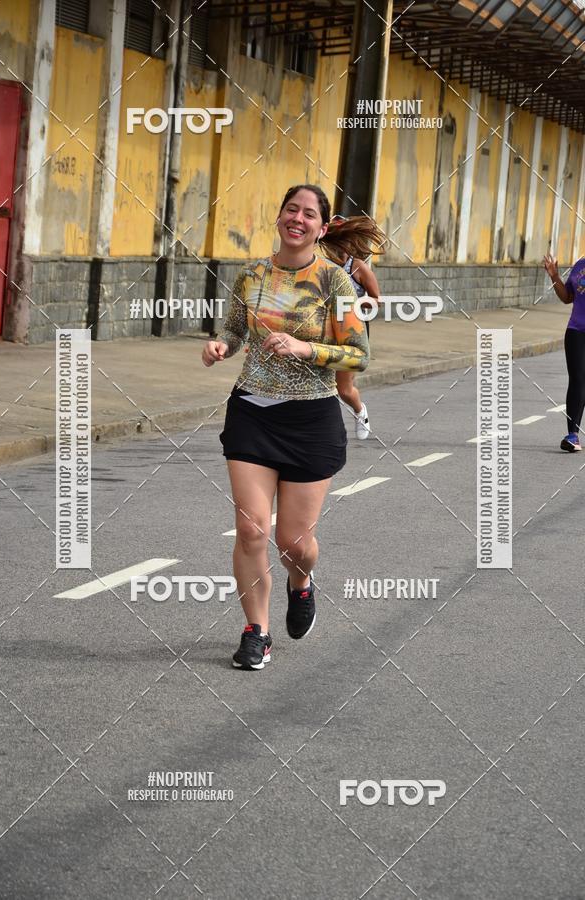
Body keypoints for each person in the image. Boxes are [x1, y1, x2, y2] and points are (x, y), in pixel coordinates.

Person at [202, 184, 369, 670]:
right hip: (252, 413)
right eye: (291, 209)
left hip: (311, 419)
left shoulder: (335, 282)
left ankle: (302, 583)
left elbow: (358, 353)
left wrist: (306, 350)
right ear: (279, 216)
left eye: (309, 213)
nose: (298, 218)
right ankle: (257, 631)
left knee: (294, 543)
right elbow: (235, 330)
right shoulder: (253, 274)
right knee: (251, 529)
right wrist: (220, 348)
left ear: (322, 226)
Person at [321, 214, 385, 439]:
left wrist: (355, 304)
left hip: (350, 332)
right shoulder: (320, 265)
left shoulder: (358, 268)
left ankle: (360, 411)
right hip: (323, 330)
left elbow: (377, 299)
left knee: (343, 389)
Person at [544, 253, 585, 451]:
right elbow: (567, 297)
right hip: (576, 330)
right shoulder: (580, 265)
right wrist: (554, 277)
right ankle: (573, 435)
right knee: (577, 379)